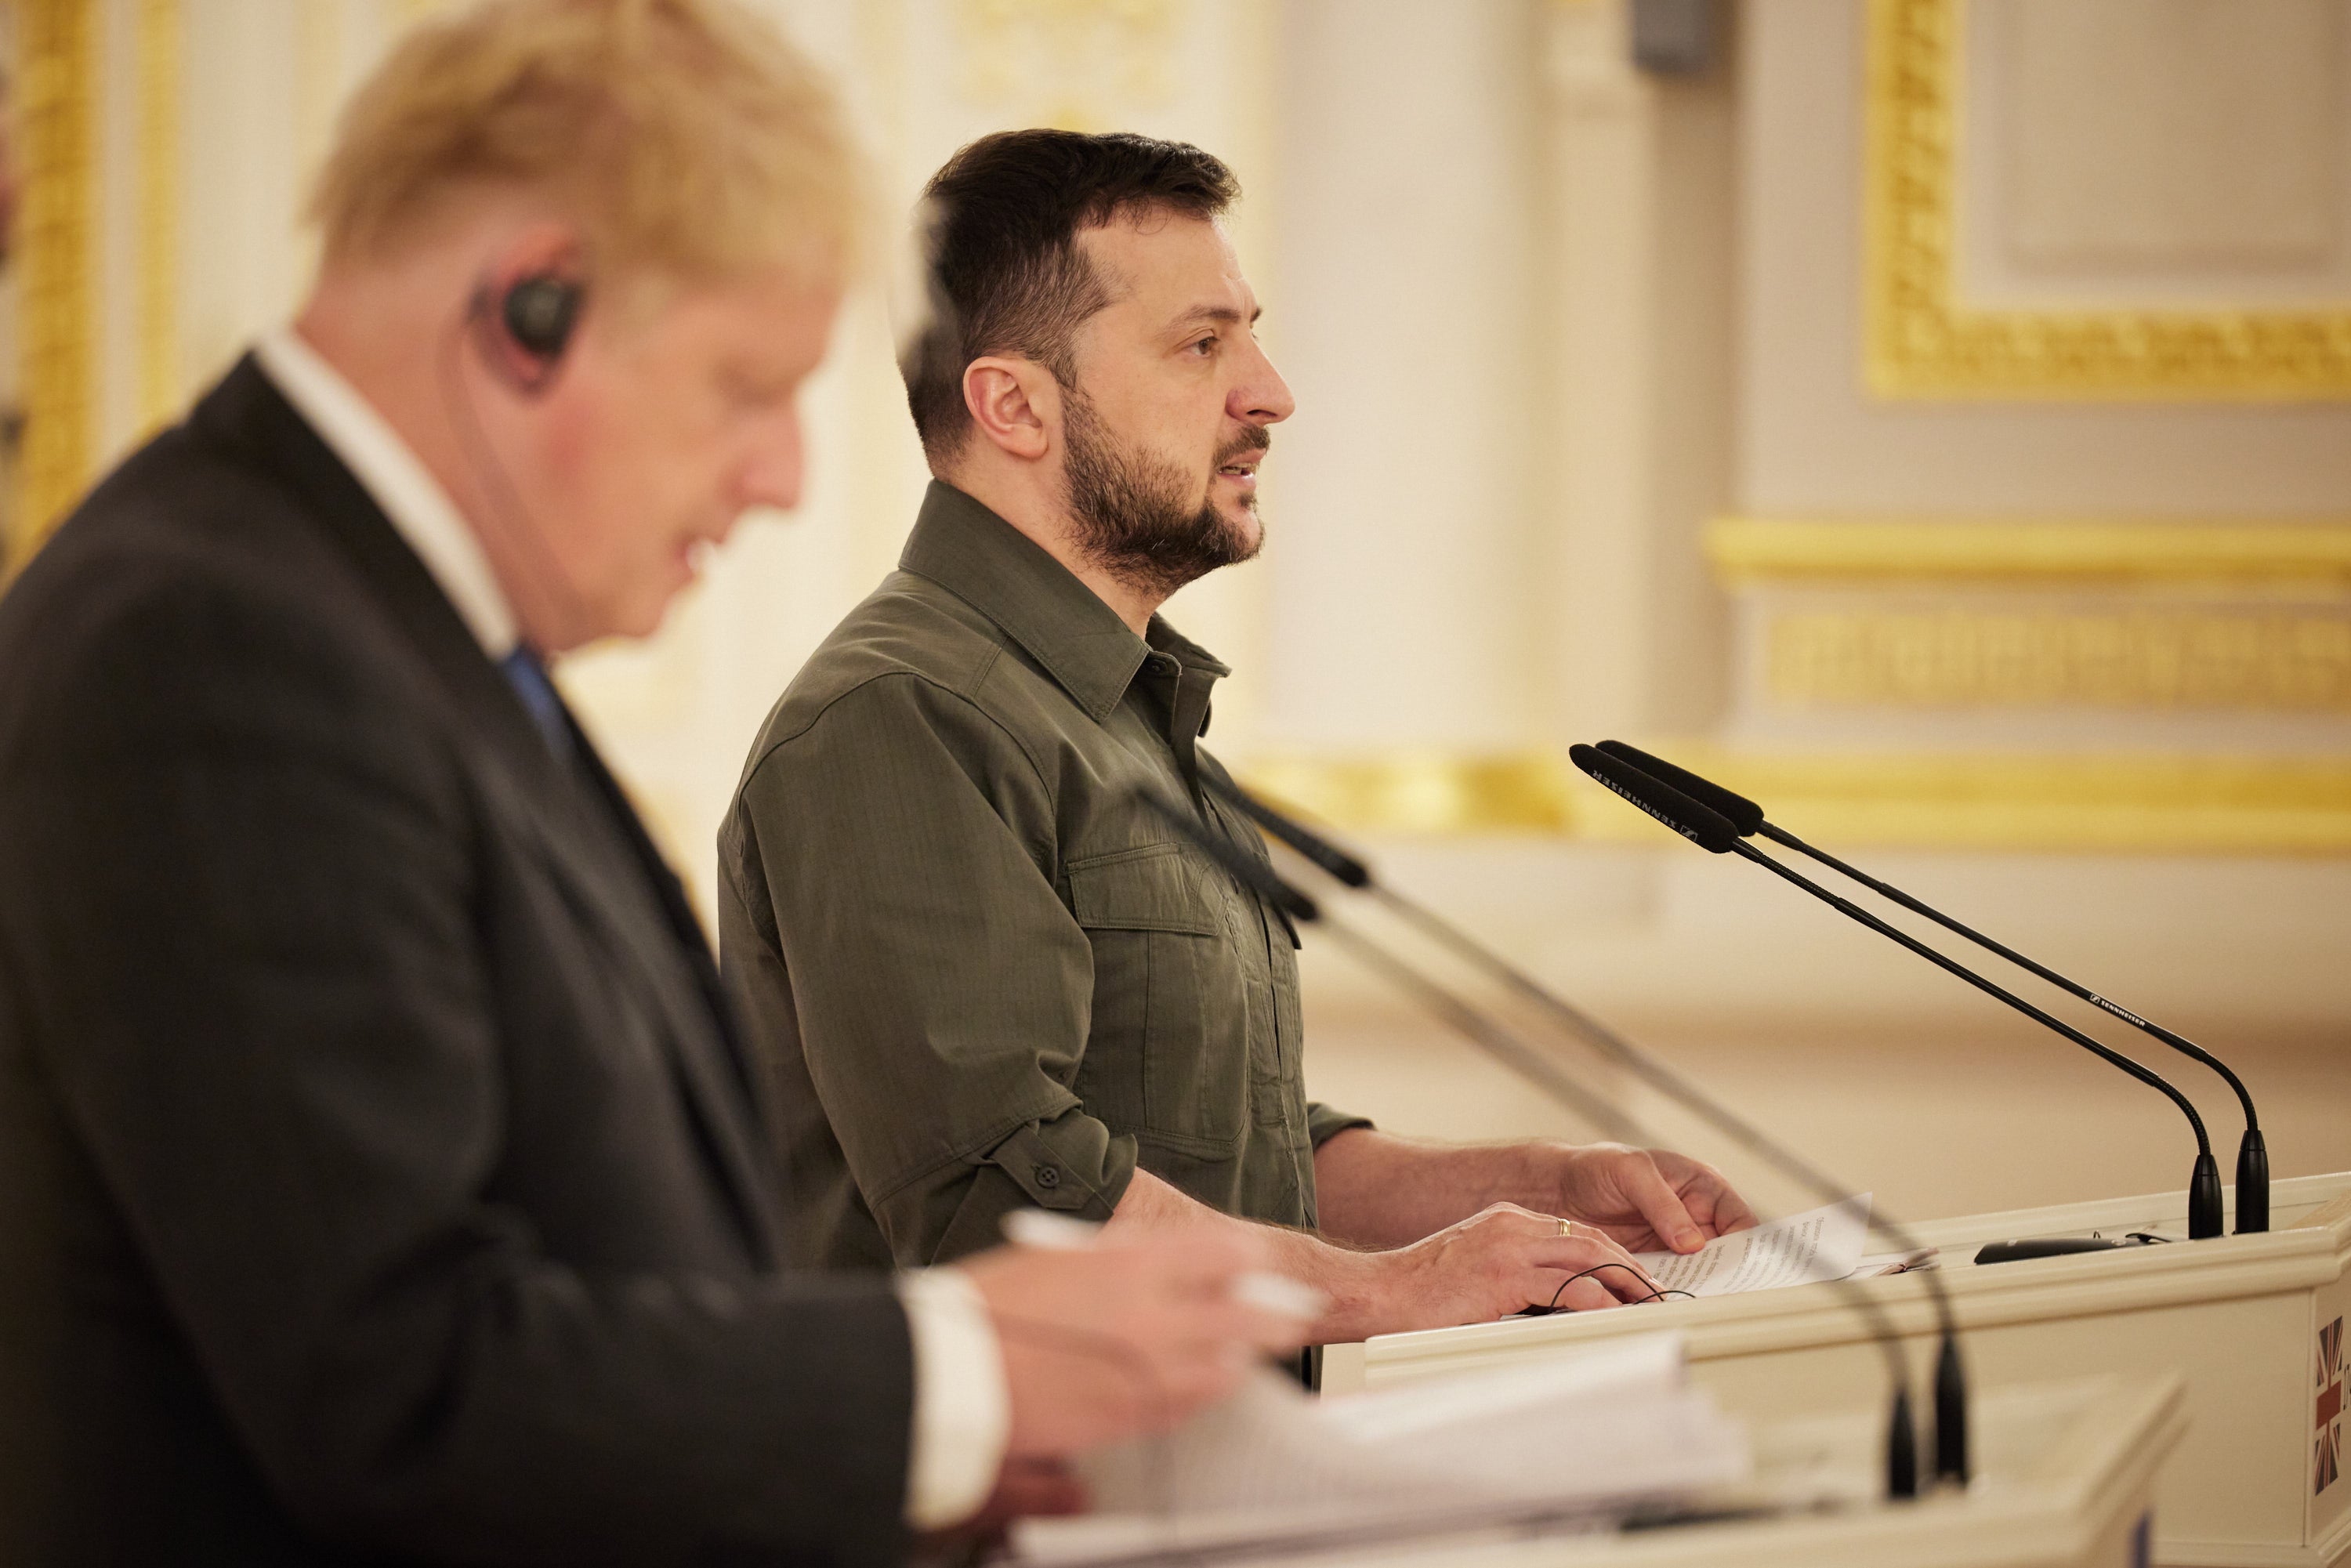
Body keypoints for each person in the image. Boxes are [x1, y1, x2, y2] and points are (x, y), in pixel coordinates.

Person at [0, 9, 1306, 1564]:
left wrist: (886, 1458)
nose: (784, 478)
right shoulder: (215, 646)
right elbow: (399, 1382)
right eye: (745, 387)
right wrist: (950, 1372)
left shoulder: (389, 632)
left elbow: (609, 1251)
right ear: (527, 309)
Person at [718, 129, 1757, 1348]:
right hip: (1024, 1528)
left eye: (1248, 334)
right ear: (1013, 404)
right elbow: (1008, 1202)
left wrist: (1528, 1186)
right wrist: (1392, 1290)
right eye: (1202, 344)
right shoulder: (899, 718)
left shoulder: (1125, 717)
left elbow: (1226, 1162)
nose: (1269, 390)